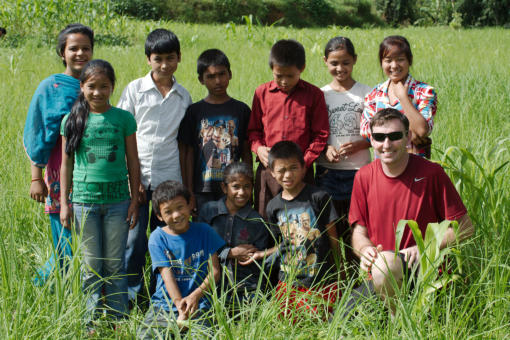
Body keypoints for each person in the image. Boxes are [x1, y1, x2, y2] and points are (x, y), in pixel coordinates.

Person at [349, 108, 474, 312]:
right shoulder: (363, 177)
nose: (386, 144)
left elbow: (465, 228)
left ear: (408, 137)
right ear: (371, 140)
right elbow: (359, 233)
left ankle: (398, 324)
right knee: (334, 326)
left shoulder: (432, 173)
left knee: (386, 265)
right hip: (381, 274)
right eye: (379, 137)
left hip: (427, 272)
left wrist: (425, 247)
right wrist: (365, 251)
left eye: (395, 136)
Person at [60, 59, 140, 323]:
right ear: (82, 87)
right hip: (84, 203)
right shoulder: (71, 120)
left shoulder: (124, 119)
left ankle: (118, 318)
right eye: (91, 86)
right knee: (91, 266)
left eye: (104, 86)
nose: (98, 92)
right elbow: (66, 164)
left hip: (119, 202)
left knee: (115, 263)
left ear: (112, 87)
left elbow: (132, 160)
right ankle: (89, 320)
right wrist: (64, 203)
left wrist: (134, 201)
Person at [117, 28, 192, 301]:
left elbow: (185, 145)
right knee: (134, 241)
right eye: (157, 58)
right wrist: (131, 180)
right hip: (138, 179)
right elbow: (124, 134)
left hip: (169, 180)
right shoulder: (135, 90)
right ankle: (130, 296)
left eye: (170, 58)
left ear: (179, 58)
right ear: (148, 59)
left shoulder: (184, 97)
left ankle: (160, 293)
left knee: (166, 240)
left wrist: (186, 186)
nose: (164, 65)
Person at [23, 23, 94, 285]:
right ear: (62, 53)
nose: (80, 53)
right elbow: (38, 131)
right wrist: (35, 177)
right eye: (73, 48)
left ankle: (85, 292)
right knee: (64, 247)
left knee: (90, 246)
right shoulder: (50, 87)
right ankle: (42, 288)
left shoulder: (95, 84)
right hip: (58, 175)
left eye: (86, 48)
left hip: (93, 175)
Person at [255, 141, 340, 319]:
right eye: (281, 170)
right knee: (287, 324)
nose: (287, 175)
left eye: (293, 168)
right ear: (272, 173)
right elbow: (283, 244)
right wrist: (261, 254)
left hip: (320, 280)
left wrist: (339, 271)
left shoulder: (318, 197)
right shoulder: (273, 207)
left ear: (303, 167)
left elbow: (334, 239)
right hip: (289, 282)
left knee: (323, 322)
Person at [247, 39, 329, 219]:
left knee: (302, 218)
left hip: (301, 172)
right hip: (269, 171)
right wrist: (259, 148)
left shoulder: (314, 95)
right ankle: (268, 248)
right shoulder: (262, 93)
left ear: (302, 68)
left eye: (290, 76)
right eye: (278, 75)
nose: (284, 81)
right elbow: (253, 131)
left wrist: (303, 163)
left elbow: (320, 134)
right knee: (266, 217)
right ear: (272, 69)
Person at [138, 181, 224, 339]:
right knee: (146, 336)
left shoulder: (205, 231)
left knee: (204, 336)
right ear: (159, 216)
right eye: (168, 211)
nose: (176, 215)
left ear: (190, 204)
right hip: (164, 304)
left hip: (199, 302)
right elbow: (166, 275)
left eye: (180, 207)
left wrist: (194, 296)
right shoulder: (158, 237)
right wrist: (179, 305)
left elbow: (215, 272)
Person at [315, 36, 371, 270]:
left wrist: (361, 143)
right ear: (325, 61)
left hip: (358, 171)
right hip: (327, 172)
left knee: (357, 223)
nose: (340, 68)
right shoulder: (320, 94)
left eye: (346, 62)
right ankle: (335, 271)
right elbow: (315, 132)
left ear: (355, 61)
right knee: (329, 225)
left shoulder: (366, 93)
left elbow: (377, 133)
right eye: (334, 63)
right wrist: (325, 148)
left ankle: (358, 268)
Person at [178, 49, 252, 213]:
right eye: (210, 76)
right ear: (201, 80)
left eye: (221, 74)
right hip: (203, 190)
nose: (217, 81)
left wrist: (248, 185)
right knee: (205, 233)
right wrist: (189, 191)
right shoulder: (194, 112)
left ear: (230, 74)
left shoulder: (241, 110)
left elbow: (247, 151)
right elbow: (188, 154)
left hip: (235, 188)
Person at [198, 162, 270, 301]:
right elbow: (198, 249)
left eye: (247, 187)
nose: (242, 192)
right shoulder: (208, 211)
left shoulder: (256, 220)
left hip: (246, 286)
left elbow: (258, 257)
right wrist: (230, 253)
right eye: (235, 186)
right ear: (224, 188)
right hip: (209, 283)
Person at [360, 35, 437, 158]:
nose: (394, 65)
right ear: (381, 63)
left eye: (400, 59)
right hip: (383, 165)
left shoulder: (424, 91)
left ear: (410, 60)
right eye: (388, 60)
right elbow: (365, 130)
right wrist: (408, 136)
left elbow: (422, 130)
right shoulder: (375, 93)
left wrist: (403, 98)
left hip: (415, 166)